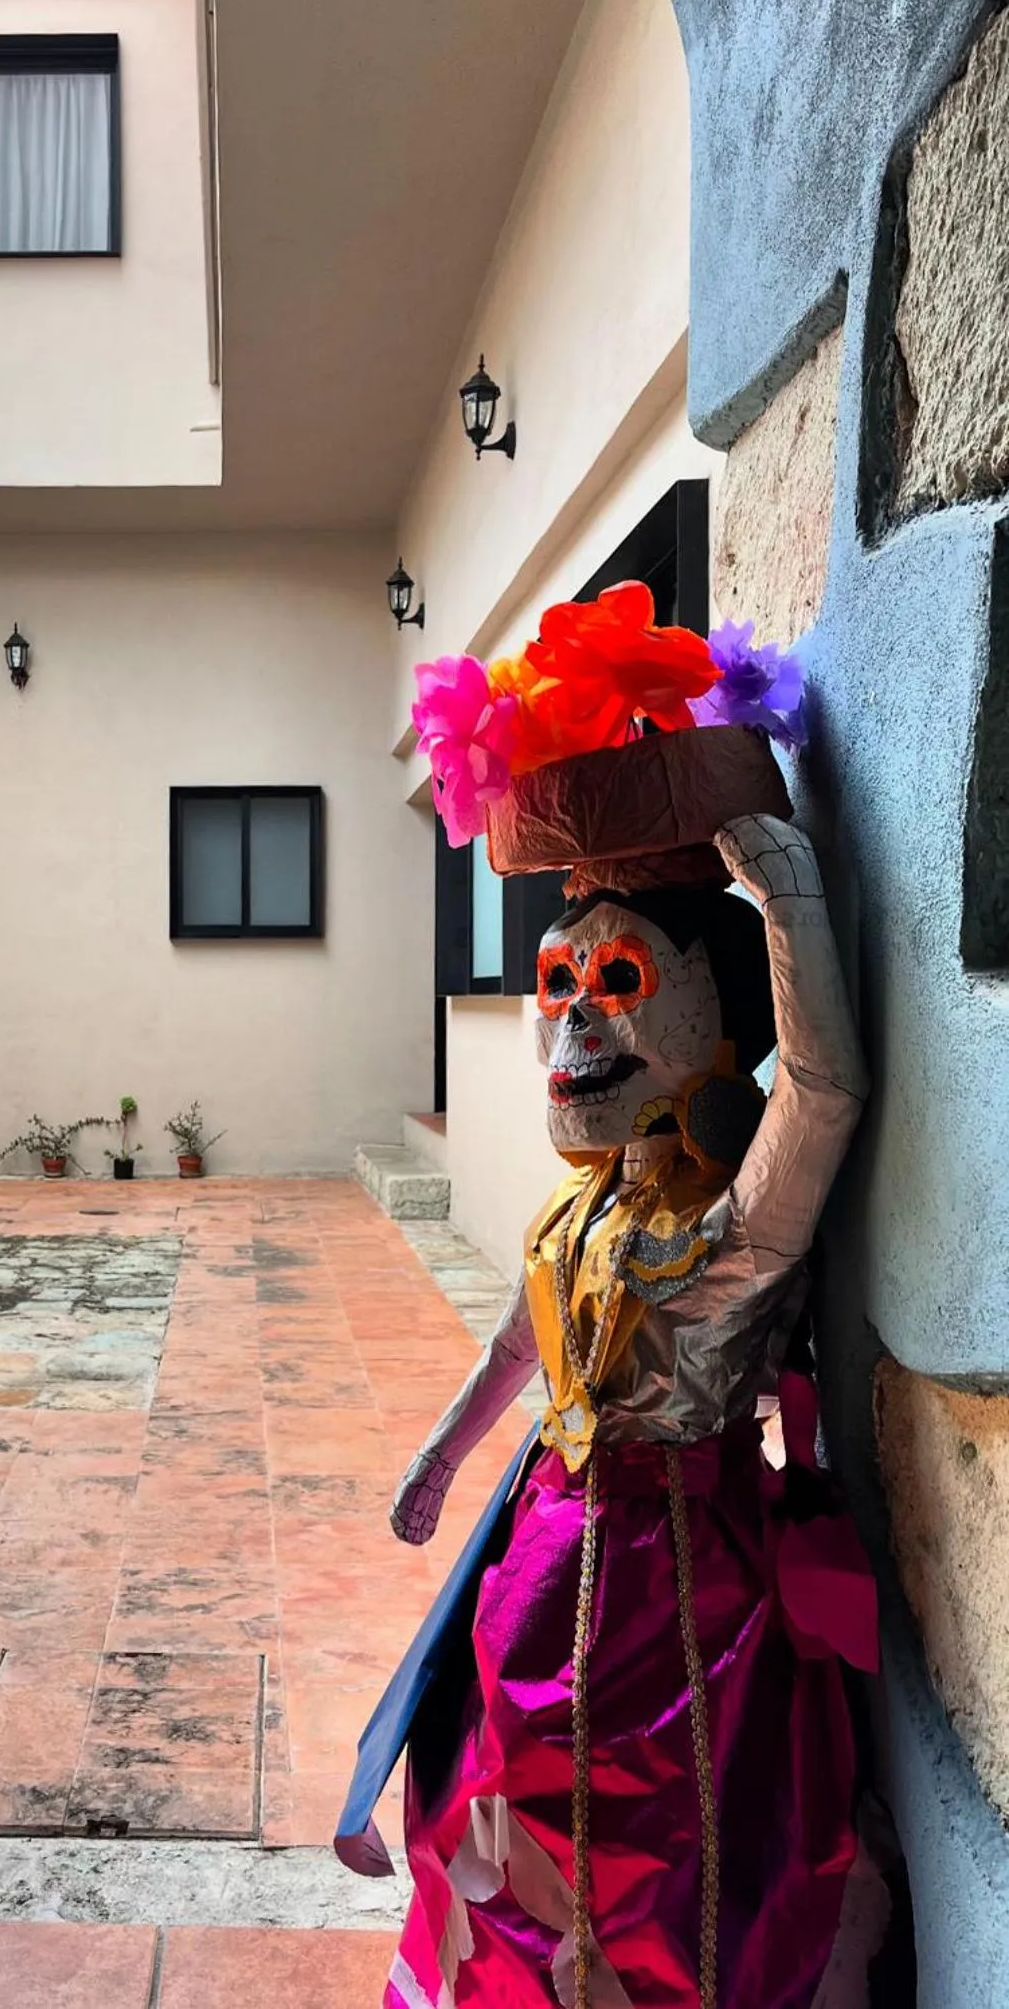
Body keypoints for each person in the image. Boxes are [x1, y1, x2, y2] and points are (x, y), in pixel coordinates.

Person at [378, 811, 879, 2009]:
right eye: (558, 983)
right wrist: (444, 1454)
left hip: (683, 1584)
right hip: (544, 1553)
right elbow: (524, 1332)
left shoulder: (734, 1213)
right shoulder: (586, 1203)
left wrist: (790, 909)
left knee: (667, 1843)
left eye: (618, 979)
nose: (572, 1018)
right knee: (508, 1795)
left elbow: (823, 1090)